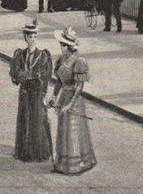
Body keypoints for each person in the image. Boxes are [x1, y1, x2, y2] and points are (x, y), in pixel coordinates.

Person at [46, 27, 96, 175]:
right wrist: (54, 97)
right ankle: (62, 164)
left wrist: (70, 104)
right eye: (60, 45)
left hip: (74, 99)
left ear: (69, 47)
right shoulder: (61, 60)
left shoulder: (79, 61)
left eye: (63, 45)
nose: (61, 48)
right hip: (63, 97)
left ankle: (77, 164)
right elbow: (60, 82)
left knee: (73, 130)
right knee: (63, 130)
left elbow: (79, 86)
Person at [9, 20, 53, 162]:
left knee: (37, 119)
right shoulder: (19, 54)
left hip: (37, 90)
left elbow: (45, 75)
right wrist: (21, 76)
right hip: (24, 91)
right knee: (24, 118)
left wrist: (44, 93)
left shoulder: (43, 55)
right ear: (25, 38)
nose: (32, 40)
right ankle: (24, 152)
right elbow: (14, 72)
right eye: (30, 37)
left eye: (34, 37)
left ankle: (38, 152)